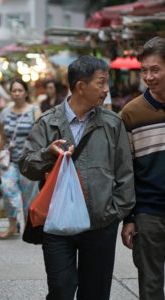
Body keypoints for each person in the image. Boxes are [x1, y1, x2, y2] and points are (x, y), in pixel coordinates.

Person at [18, 55, 135, 300]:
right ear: (80, 86)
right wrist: (47, 154)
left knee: (95, 293)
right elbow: (27, 166)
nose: (107, 90)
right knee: (61, 289)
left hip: (100, 224)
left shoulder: (112, 124)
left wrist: (115, 212)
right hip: (58, 223)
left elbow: (125, 172)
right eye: (101, 83)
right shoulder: (48, 122)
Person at [121, 37, 165, 300]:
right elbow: (126, 171)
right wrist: (129, 218)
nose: (149, 76)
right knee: (150, 287)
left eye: (156, 69)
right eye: (144, 70)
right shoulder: (130, 114)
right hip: (149, 213)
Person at [0, 78, 41, 239]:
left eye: (20, 90)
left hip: (29, 162)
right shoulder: (5, 112)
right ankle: (12, 225)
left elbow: (40, 137)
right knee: (8, 189)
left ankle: (27, 227)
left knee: (29, 196)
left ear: (26, 93)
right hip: (10, 162)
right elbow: (3, 138)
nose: (17, 94)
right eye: (14, 91)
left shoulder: (34, 111)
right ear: (10, 93)